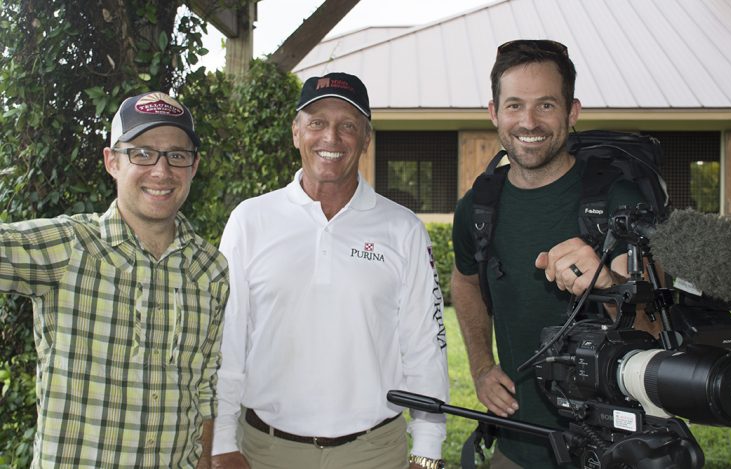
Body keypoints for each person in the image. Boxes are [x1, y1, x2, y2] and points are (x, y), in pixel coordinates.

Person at [211, 72, 449, 469]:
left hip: (374, 453)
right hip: (266, 451)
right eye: (317, 122)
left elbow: (426, 346)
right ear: (296, 132)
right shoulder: (250, 220)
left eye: (348, 126)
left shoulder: (403, 229)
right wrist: (221, 442)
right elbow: (228, 342)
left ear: (366, 139)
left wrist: (427, 451)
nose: (331, 138)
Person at [451, 40, 658, 468]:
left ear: (572, 111)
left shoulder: (618, 201)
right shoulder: (478, 206)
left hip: (610, 450)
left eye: (546, 105)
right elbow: (465, 281)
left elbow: (655, 328)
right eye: (514, 106)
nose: (528, 121)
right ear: (493, 112)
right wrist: (481, 367)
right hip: (517, 445)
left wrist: (611, 285)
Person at [0, 91, 229, 468]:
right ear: (112, 162)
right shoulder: (70, 246)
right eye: (141, 153)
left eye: (177, 155)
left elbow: (204, 392)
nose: (161, 170)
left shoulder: (210, 269)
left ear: (194, 166)